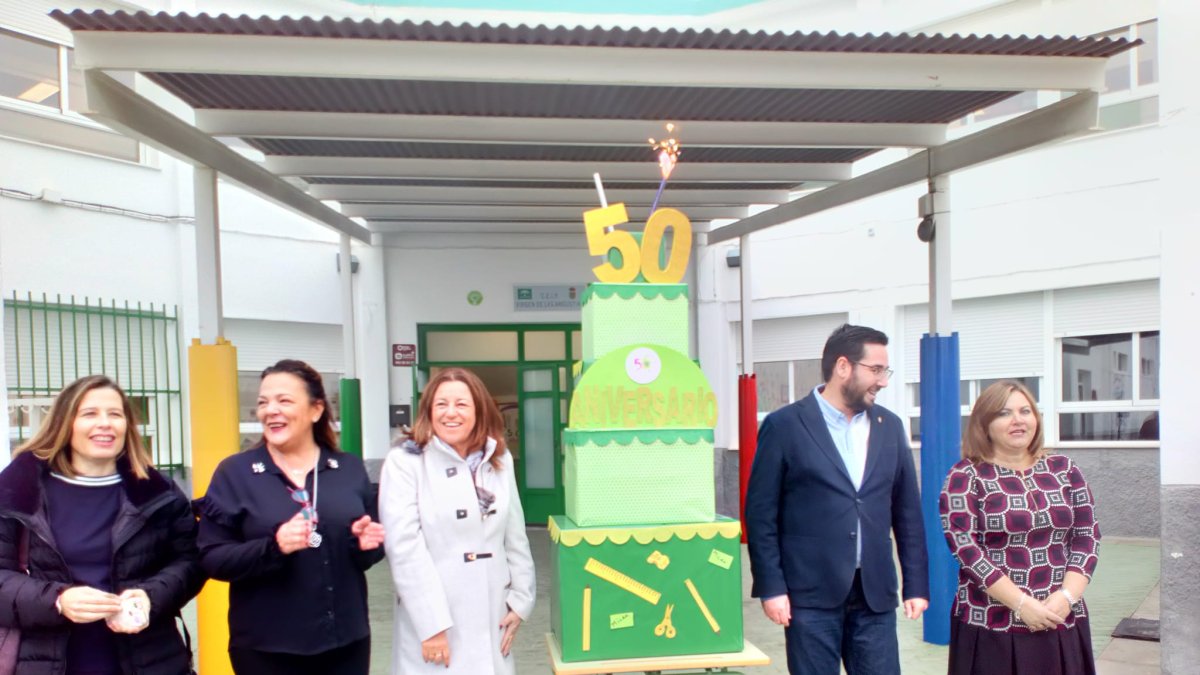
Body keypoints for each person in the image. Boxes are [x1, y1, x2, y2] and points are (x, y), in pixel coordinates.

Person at [745, 324, 929, 675]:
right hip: (809, 595)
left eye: (885, 371)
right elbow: (761, 515)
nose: (883, 381)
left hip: (874, 593)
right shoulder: (785, 426)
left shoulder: (889, 426)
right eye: (876, 370)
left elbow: (907, 512)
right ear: (843, 366)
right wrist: (771, 587)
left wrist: (916, 584)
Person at [0, 374, 204, 674]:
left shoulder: (158, 493)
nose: (106, 423)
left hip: (149, 658)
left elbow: (191, 561)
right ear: (65, 422)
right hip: (45, 661)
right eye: (90, 414)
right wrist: (57, 601)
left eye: (116, 414)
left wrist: (151, 596)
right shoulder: (17, 491)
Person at [194, 359, 385, 675]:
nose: (271, 410)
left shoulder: (348, 470)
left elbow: (364, 554)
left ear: (315, 410)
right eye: (263, 402)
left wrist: (367, 545)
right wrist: (274, 546)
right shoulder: (236, 473)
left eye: (284, 400)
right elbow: (212, 558)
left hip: (345, 643)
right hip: (266, 648)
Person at [380, 367, 535, 675]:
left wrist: (521, 599)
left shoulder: (498, 459)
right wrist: (432, 625)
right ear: (428, 411)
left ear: (479, 409)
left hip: (493, 612)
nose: (451, 413)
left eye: (461, 404)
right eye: (441, 404)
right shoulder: (406, 462)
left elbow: (514, 533)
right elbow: (405, 549)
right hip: (437, 621)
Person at [939, 380, 1100, 674]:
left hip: (1060, 615)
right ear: (984, 424)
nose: (1018, 420)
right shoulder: (966, 476)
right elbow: (967, 550)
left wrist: (1067, 597)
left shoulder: (1064, 469)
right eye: (1004, 413)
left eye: (1025, 411)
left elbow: (1087, 535)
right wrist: (1022, 605)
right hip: (993, 624)